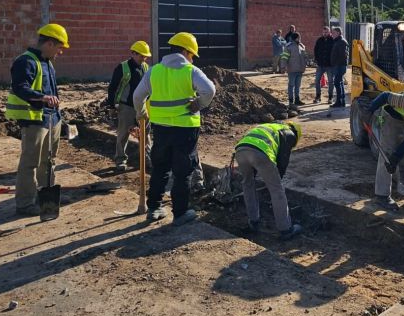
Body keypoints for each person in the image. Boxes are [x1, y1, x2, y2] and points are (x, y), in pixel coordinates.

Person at [133, 32, 216, 226]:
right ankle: (180, 213)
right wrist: (198, 104)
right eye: (192, 54)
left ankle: (154, 208)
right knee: (182, 171)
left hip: (161, 128)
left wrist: (141, 112)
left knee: (160, 167)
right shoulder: (190, 70)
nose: (192, 58)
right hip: (185, 129)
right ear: (186, 51)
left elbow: (138, 96)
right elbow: (209, 90)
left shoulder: (154, 71)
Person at [5, 23, 68, 216]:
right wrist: (42, 98)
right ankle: (24, 204)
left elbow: (52, 91)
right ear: (49, 43)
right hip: (35, 121)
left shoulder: (47, 62)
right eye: (59, 47)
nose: (60, 52)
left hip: (52, 118)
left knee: (48, 161)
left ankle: (46, 197)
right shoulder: (26, 61)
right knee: (30, 162)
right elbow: (20, 87)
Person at [234, 122, 303, 240]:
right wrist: (274, 181)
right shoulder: (289, 134)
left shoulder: (270, 127)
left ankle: (253, 221)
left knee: (248, 184)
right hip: (260, 152)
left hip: (240, 150)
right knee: (277, 190)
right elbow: (282, 162)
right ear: (296, 133)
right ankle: (285, 229)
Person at [107, 41, 151, 172]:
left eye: (145, 56)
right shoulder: (122, 67)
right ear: (133, 53)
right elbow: (113, 87)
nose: (144, 58)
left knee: (145, 133)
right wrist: (111, 105)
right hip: (126, 106)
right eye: (141, 56)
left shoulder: (146, 67)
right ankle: (120, 159)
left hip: (142, 105)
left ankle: (146, 157)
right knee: (123, 134)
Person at [282, 32, 307, 107]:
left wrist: (306, 64)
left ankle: (297, 99)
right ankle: (290, 100)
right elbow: (284, 58)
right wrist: (283, 67)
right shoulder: (288, 47)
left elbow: (305, 56)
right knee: (291, 85)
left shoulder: (301, 46)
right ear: (296, 38)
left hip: (300, 70)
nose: (300, 39)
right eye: (299, 37)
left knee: (297, 86)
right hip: (292, 70)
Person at [313, 26, 334, 104]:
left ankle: (330, 97)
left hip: (330, 65)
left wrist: (333, 61)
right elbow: (315, 50)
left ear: (329, 32)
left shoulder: (332, 40)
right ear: (322, 32)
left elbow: (334, 52)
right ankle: (318, 97)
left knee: (331, 81)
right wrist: (317, 59)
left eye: (326, 32)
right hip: (320, 64)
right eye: (324, 32)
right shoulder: (319, 40)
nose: (325, 34)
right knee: (317, 81)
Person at [330, 26, 349, 108]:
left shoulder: (341, 42)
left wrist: (336, 63)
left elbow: (343, 56)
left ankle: (339, 102)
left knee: (337, 83)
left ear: (338, 33)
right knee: (339, 83)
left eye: (333, 33)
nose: (332, 34)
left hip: (339, 66)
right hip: (338, 66)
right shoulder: (338, 41)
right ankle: (341, 101)